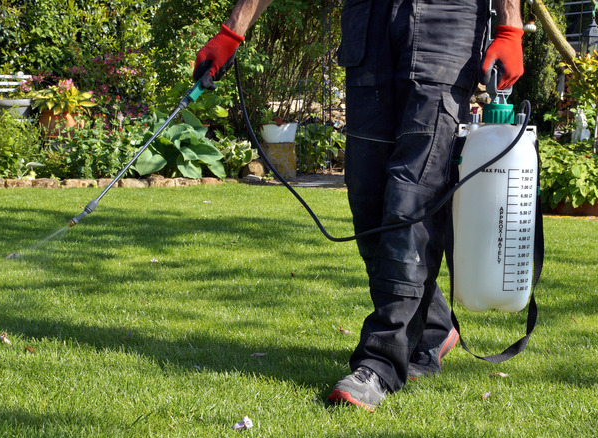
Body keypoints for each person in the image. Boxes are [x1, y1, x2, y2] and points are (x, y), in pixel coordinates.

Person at [193, 0, 524, 411]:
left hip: (445, 24)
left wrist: (511, 27)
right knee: (367, 200)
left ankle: (379, 362)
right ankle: (435, 326)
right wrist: (231, 32)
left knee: (411, 197)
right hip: (368, 27)